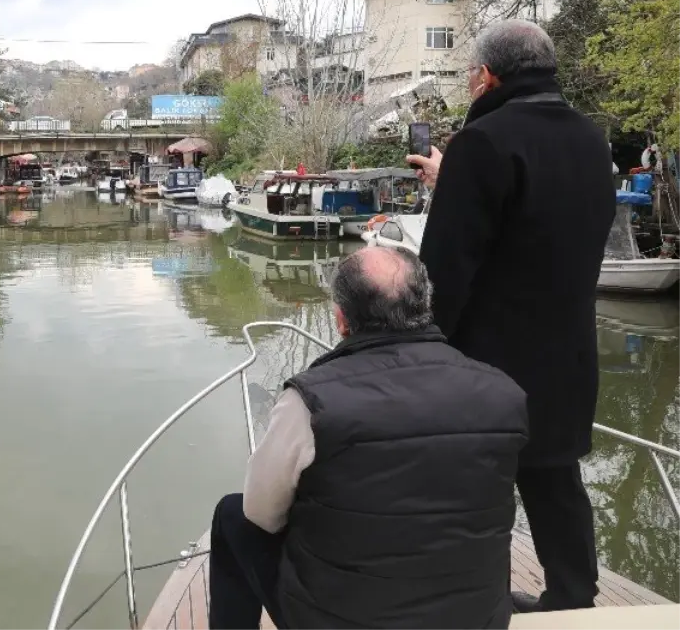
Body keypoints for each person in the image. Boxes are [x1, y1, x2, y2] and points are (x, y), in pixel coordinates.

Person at [407, 19, 615, 613]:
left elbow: (444, 268)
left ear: (487, 76)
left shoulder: (484, 142)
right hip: (570, 351)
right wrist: (457, 180)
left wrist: (421, 351)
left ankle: (478, 604)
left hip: (490, 361)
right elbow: (538, 218)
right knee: (555, 479)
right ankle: (573, 600)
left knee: (477, 488)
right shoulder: (589, 139)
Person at [208, 247, 528, 630]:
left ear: (342, 319)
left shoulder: (311, 400)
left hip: (340, 620)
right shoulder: (504, 392)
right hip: (478, 620)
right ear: (425, 304)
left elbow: (261, 513)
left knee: (232, 513)